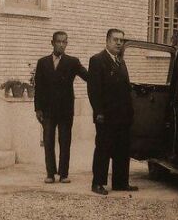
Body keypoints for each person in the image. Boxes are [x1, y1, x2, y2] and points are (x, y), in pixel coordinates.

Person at [33, 31, 89, 184]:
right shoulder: (42, 62)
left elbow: (88, 76)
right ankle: (50, 174)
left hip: (65, 110)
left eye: (64, 42)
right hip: (48, 110)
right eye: (58, 41)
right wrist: (38, 109)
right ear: (52, 43)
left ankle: (64, 174)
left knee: (65, 141)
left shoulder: (72, 62)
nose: (61, 45)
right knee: (48, 140)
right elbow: (38, 88)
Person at [87, 27, 137, 194]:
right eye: (115, 40)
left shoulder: (120, 60)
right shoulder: (97, 60)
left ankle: (120, 182)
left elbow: (126, 88)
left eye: (121, 40)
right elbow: (93, 90)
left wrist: (130, 112)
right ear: (107, 41)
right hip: (106, 116)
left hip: (122, 116)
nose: (118, 43)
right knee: (103, 149)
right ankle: (98, 184)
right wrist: (99, 112)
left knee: (122, 149)